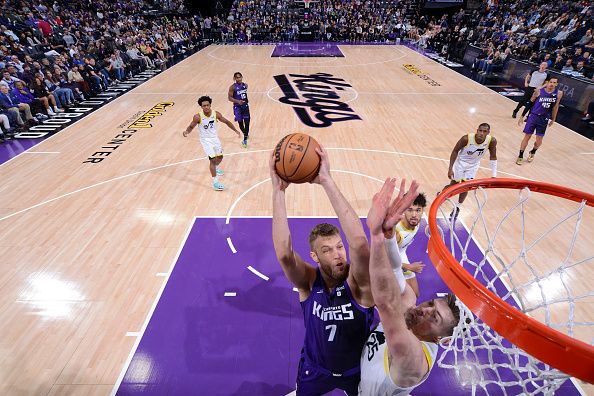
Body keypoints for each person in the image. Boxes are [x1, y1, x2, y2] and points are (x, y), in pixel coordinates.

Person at [270, 146, 374, 396]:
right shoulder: (308, 281)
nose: (338, 253)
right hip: (315, 370)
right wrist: (278, 191)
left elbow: (359, 244)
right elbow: (284, 254)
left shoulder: (359, 284)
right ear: (314, 257)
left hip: (357, 370)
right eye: (327, 250)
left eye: (339, 246)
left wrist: (326, 180)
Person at [359, 177, 460, 396]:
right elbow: (396, 271)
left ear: (440, 340)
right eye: (432, 304)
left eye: (434, 317)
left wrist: (376, 235)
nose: (425, 309)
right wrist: (387, 236)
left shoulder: (413, 360)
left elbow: (386, 304)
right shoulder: (411, 312)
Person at [182, 95, 240, 191]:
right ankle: (215, 182)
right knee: (212, 160)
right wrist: (186, 132)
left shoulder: (216, 114)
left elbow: (227, 122)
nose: (206, 107)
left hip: (215, 138)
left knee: (220, 157)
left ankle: (215, 168)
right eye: (204, 106)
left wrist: (236, 130)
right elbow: (191, 126)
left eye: (207, 105)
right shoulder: (197, 117)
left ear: (210, 105)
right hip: (205, 140)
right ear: (201, 107)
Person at [441, 123, 497, 220]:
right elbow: (455, 151)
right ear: (477, 130)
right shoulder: (466, 139)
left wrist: (494, 175)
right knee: (454, 184)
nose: (481, 133)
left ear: (488, 133)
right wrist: (450, 168)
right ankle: (441, 195)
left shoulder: (491, 141)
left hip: (473, 166)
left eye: (484, 131)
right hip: (460, 163)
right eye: (480, 130)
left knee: (466, 187)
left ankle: (457, 207)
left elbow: (493, 157)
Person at [516, 77, 563, 165]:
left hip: (544, 118)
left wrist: (553, 119)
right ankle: (520, 155)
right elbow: (530, 103)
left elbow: (556, 107)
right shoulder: (538, 91)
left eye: (554, 82)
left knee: (539, 141)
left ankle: (533, 151)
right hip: (533, 116)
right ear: (547, 82)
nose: (552, 84)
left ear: (556, 84)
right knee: (527, 136)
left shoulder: (559, 94)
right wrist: (522, 115)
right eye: (551, 82)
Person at [393, 192, 427, 297]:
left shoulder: (417, 223)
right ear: (404, 210)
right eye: (410, 210)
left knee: (415, 295)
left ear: (422, 211)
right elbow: (383, 259)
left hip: (401, 255)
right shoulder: (397, 234)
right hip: (388, 263)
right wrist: (409, 267)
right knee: (405, 299)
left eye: (418, 210)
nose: (414, 215)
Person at [227, 72, 251, 148]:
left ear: (242, 77)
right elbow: (229, 98)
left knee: (247, 122)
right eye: (237, 77)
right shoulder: (232, 87)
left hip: (245, 106)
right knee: (241, 123)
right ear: (234, 78)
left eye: (240, 77)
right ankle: (245, 133)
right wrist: (238, 101)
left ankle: (245, 139)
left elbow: (244, 95)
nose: (239, 79)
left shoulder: (245, 85)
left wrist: (245, 101)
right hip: (237, 107)